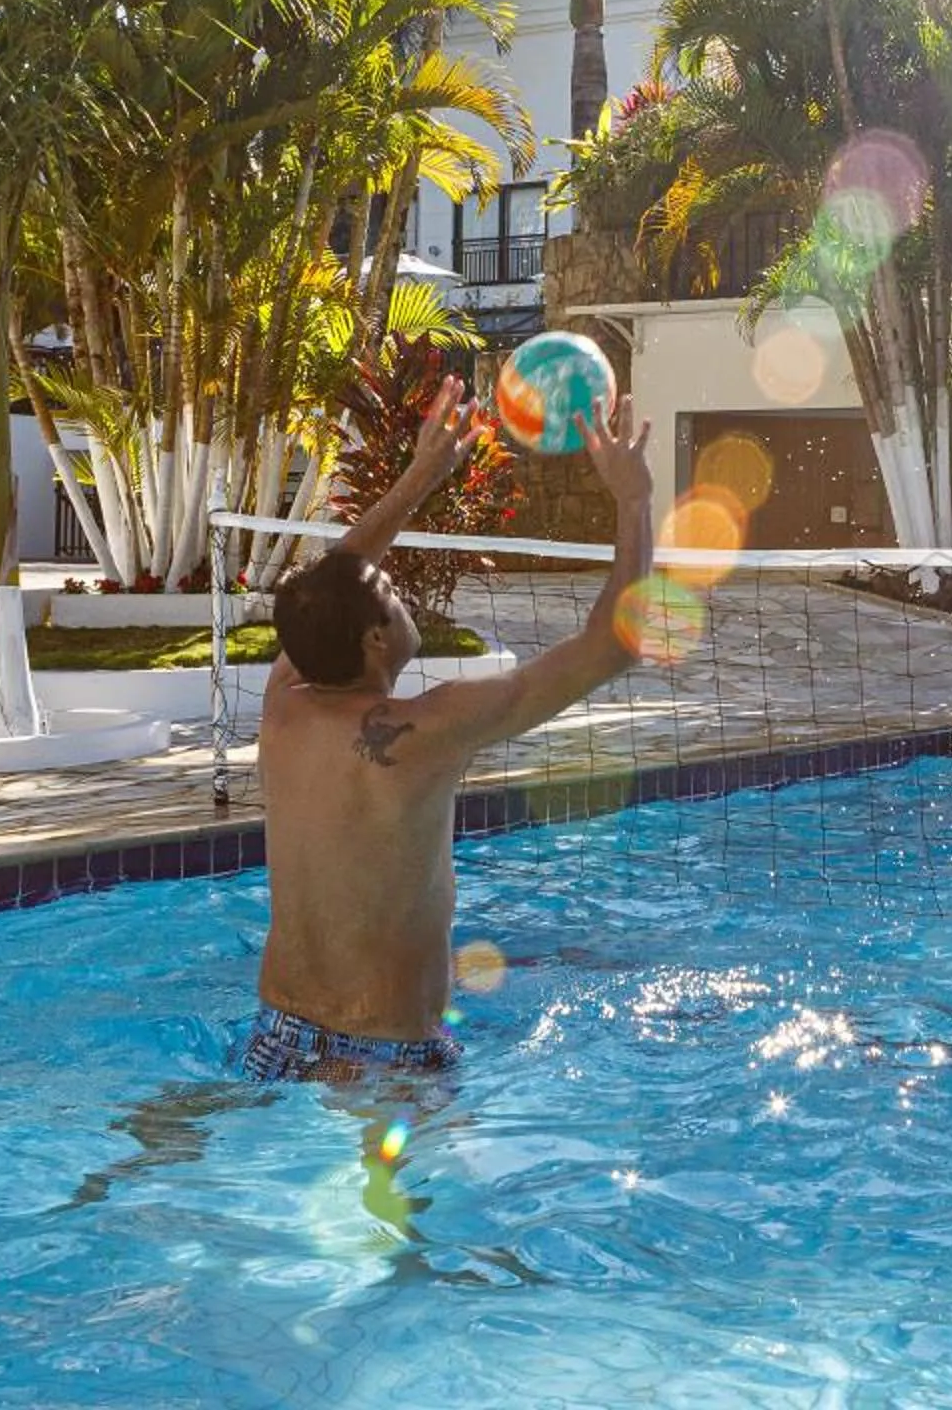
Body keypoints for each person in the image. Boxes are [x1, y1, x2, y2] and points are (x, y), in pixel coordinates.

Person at [244, 375, 656, 1083]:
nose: (401, 595)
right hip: (384, 1059)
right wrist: (635, 499)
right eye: (393, 597)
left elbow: (336, 585)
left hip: (276, 1037)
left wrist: (422, 476)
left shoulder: (285, 705)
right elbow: (614, 646)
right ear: (377, 640)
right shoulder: (427, 731)